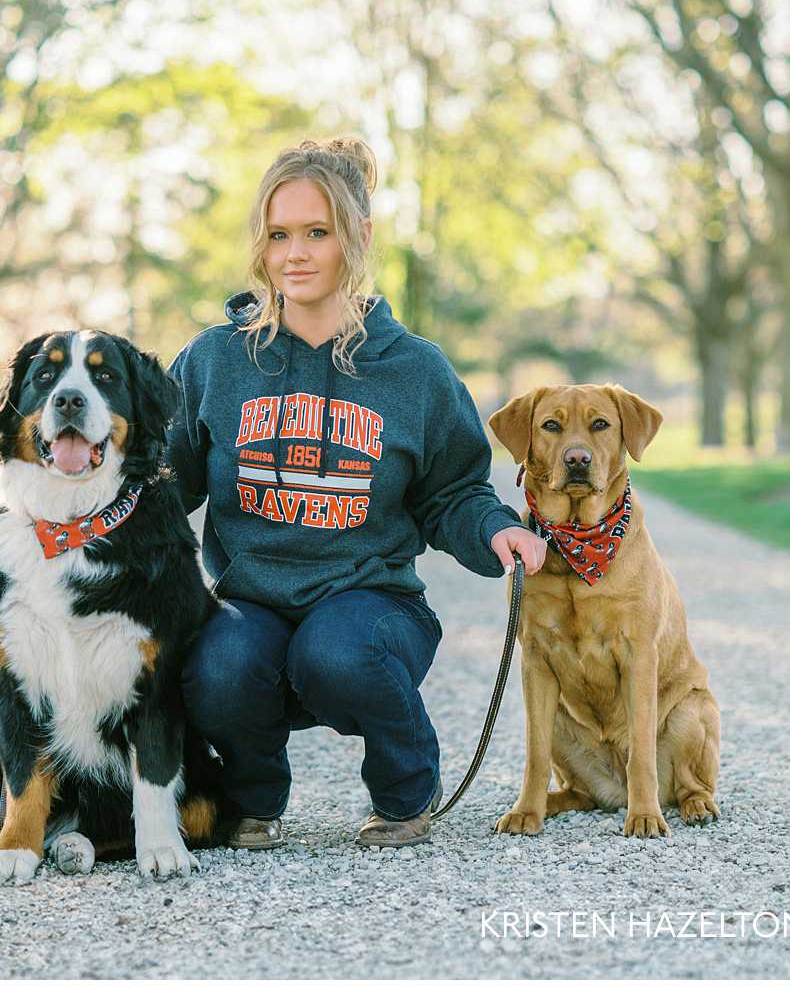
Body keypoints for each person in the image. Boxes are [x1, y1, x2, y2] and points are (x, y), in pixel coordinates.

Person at [166, 137, 546, 850]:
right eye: (279, 234)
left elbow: (454, 491)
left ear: (360, 237)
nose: (294, 253)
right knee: (217, 659)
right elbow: (163, 482)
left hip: (372, 606)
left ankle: (408, 787)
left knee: (336, 652)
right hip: (253, 600)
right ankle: (253, 797)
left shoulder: (416, 371)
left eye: (318, 232)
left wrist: (497, 529)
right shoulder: (215, 360)